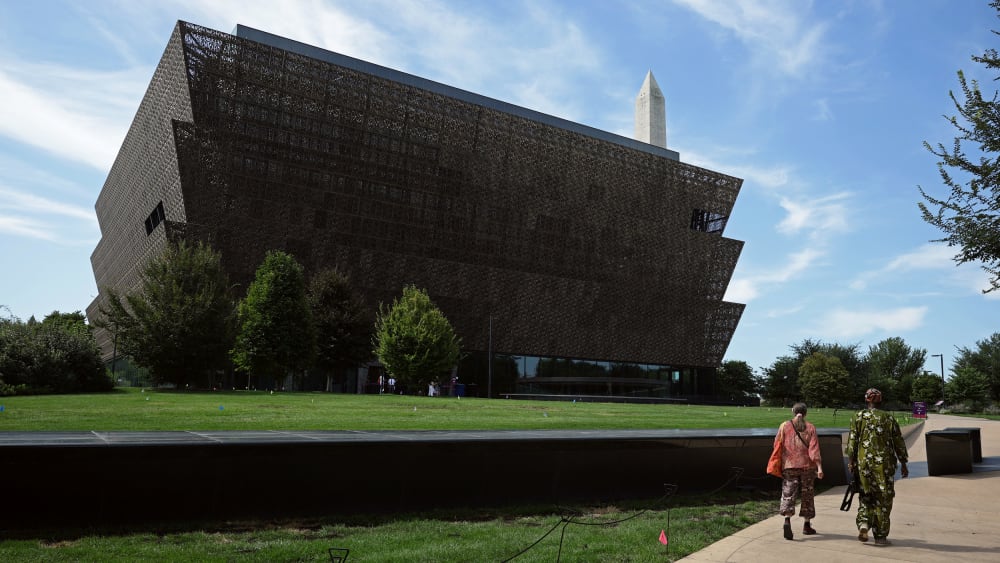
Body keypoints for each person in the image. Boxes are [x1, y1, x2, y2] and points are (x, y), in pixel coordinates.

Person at [846, 388, 908, 546]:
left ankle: (864, 523)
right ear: (880, 401)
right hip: (884, 467)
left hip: (864, 465)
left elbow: (852, 441)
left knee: (866, 495)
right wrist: (904, 463)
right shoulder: (888, 418)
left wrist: (851, 461)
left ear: (867, 400)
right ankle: (880, 536)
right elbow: (898, 442)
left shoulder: (858, 417)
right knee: (883, 499)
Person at [775, 402, 824, 540]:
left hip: (789, 465)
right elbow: (814, 450)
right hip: (807, 467)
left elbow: (776, 444)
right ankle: (807, 525)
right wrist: (819, 467)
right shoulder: (811, 428)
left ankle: (787, 520)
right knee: (807, 495)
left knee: (788, 493)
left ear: (792, 411)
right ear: (806, 413)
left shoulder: (784, 426)